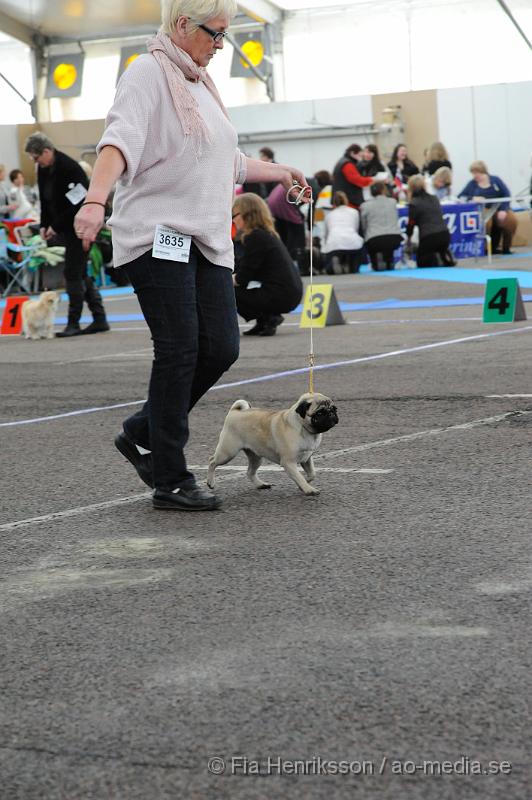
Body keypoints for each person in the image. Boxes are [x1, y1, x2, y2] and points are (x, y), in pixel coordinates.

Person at [72, 0, 310, 513]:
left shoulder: (201, 83)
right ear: (182, 24)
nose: (222, 44)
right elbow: (117, 143)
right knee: (179, 348)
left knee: (221, 346)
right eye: (216, 33)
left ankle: (141, 430)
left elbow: (224, 159)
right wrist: (95, 200)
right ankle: (170, 477)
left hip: (206, 240)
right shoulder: (146, 74)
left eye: (226, 34)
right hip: (157, 236)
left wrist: (281, 171)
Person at [24, 132, 109, 337]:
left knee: (72, 273)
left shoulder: (71, 169)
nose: (36, 162)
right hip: (63, 227)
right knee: (79, 273)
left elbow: (78, 203)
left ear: (46, 151)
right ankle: (99, 319)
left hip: (80, 227)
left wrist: (56, 225)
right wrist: (45, 225)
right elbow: (45, 201)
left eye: (36, 158)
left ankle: (74, 323)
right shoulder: (43, 169)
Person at [232, 193, 303, 336]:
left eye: (235, 215)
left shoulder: (255, 237)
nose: (233, 220)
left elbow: (244, 276)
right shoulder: (266, 234)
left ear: (247, 214)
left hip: (280, 294)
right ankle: (263, 320)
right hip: (289, 292)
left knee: (227, 291)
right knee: (236, 288)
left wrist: (224, 280)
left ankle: (268, 317)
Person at [458, 160, 516, 255]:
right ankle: (486, 249)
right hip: (483, 209)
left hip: (498, 208)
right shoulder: (472, 184)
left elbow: (506, 194)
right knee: (486, 222)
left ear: (483, 171)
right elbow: (461, 196)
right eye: (473, 173)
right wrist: (472, 198)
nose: (475, 175)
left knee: (511, 220)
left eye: (477, 173)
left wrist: (504, 210)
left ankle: (506, 248)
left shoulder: (496, 180)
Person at [406, 175, 456, 267]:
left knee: (422, 263)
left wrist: (408, 236)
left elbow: (411, 223)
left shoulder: (414, 203)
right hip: (444, 235)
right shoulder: (434, 198)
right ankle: (444, 256)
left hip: (429, 237)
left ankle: (438, 258)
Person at [360, 182, 403, 270]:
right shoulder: (393, 202)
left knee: (372, 242)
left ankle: (375, 263)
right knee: (388, 245)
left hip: (375, 239)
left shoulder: (365, 206)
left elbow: (364, 226)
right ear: (384, 190)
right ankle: (389, 261)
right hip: (394, 237)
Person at [321, 191, 364, 274]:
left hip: (334, 243)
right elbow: (356, 229)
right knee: (354, 270)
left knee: (329, 270)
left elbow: (326, 235)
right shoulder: (354, 212)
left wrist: (324, 248)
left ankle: (336, 262)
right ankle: (349, 266)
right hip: (352, 243)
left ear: (334, 203)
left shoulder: (329, 215)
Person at [331, 144, 377, 210]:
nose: (361, 158)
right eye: (359, 155)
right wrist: (373, 180)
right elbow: (358, 180)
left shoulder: (342, 161)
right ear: (352, 153)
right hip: (347, 203)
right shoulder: (348, 164)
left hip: (342, 201)